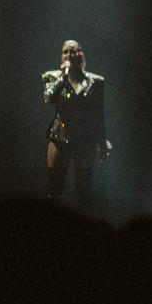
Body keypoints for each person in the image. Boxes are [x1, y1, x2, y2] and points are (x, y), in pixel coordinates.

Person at [42, 39, 111, 211]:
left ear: (81, 54)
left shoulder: (96, 82)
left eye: (73, 51)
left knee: (84, 189)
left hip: (86, 138)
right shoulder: (51, 77)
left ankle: (84, 222)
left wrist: (102, 140)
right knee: (54, 187)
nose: (69, 55)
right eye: (65, 52)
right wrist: (63, 76)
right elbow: (48, 98)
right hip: (60, 135)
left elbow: (98, 113)